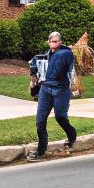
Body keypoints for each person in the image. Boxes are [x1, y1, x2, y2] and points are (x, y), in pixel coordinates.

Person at [28, 31, 78, 160]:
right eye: (51, 41)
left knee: (60, 117)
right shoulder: (42, 57)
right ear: (48, 42)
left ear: (60, 42)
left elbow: (72, 70)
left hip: (61, 90)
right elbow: (33, 73)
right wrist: (33, 85)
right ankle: (41, 150)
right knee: (40, 121)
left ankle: (72, 135)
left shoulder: (66, 54)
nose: (53, 43)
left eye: (56, 41)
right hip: (45, 90)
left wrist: (74, 85)